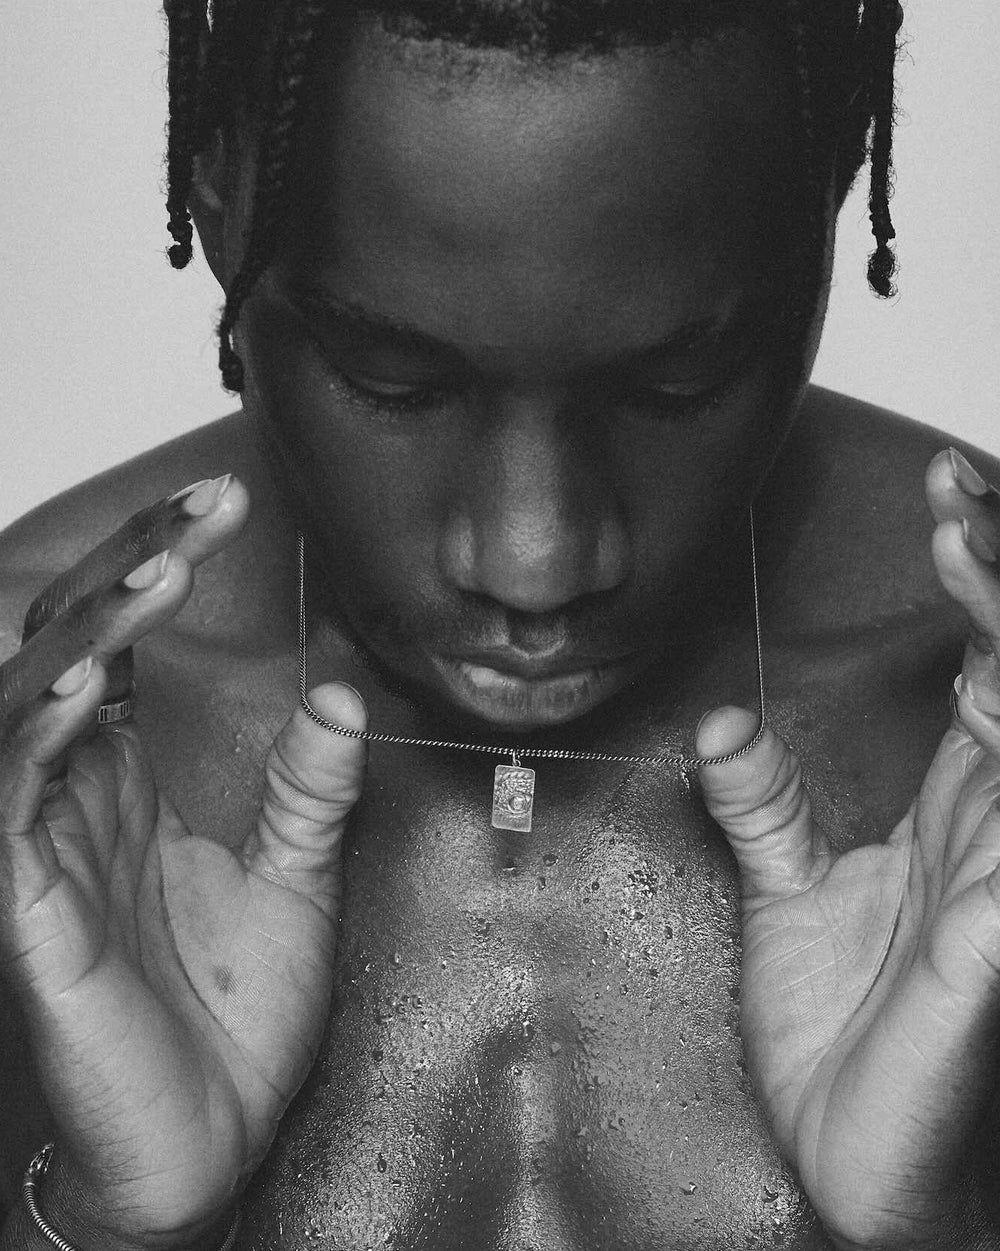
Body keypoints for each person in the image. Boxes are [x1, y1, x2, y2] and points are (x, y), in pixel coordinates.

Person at [2, 0, 999, 1246]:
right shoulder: (34, 769)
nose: (534, 566)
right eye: (396, 386)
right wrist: (110, 1221)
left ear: (830, 188)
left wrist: (935, 1224)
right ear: (221, 196)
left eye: (673, 387)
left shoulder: (981, 744)